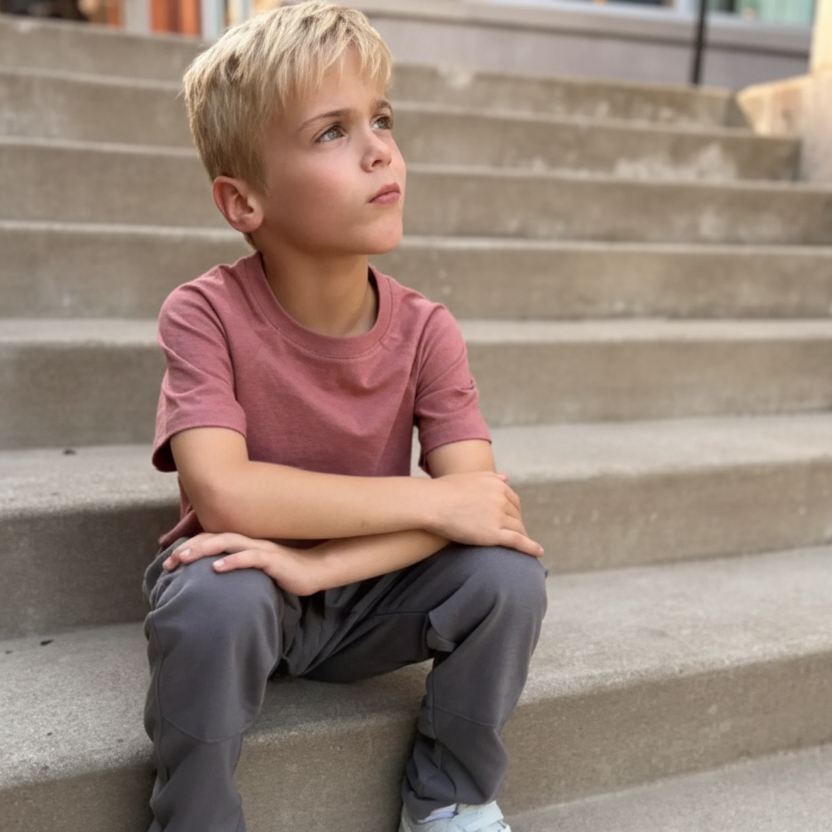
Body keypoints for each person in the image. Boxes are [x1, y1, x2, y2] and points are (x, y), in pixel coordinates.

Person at [142, 3, 548, 831]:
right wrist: (434, 502)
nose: (378, 150)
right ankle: (193, 818)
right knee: (213, 601)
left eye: (382, 120)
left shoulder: (427, 327)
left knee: (508, 579)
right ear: (243, 201)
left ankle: (452, 797)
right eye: (331, 132)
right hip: (245, 584)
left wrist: (324, 569)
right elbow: (226, 495)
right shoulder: (204, 313)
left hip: (363, 585)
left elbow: (484, 511)